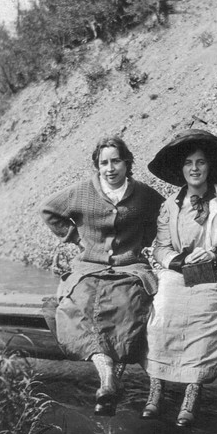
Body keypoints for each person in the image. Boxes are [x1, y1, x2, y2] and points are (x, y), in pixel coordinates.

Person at [40, 135, 164, 415]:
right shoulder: (82, 191)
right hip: (89, 267)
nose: (110, 168)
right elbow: (48, 209)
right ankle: (108, 377)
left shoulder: (144, 194)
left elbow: (165, 214)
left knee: (129, 306)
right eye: (104, 162)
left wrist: (143, 239)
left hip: (129, 267)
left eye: (116, 161)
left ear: (127, 163)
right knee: (78, 306)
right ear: (97, 166)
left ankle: (110, 382)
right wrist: (74, 237)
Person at [142, 129, 217, 427]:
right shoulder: (170, 205)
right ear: (181, 169)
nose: (195, 168)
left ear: (209, 167)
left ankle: (193, 388)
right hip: (178, 272)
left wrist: (213, 256)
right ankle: (156, 386)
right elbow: (161, 247)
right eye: (189, 162)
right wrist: (179, 261)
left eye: (201, 162)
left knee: (205, 310)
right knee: (163, 308)